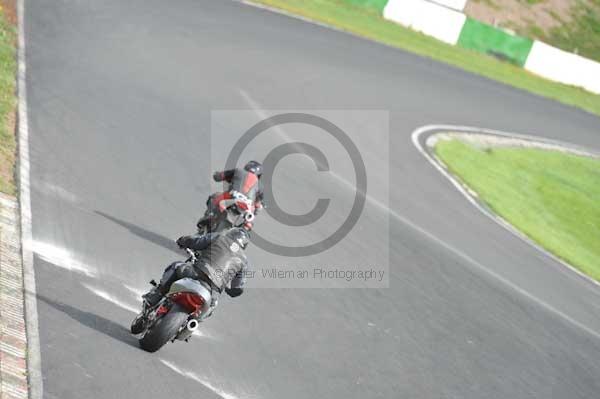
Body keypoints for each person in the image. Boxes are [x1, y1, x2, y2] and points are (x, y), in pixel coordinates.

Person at [132, 227, 251, 333]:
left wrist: (183, 240)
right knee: (211, 307)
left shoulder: (219, 237)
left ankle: (157, 294)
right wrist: (233, 290)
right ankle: (190, 325)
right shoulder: (244, 261)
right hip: (213, 289)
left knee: (176, 266)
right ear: (244, 244)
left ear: (230, 234)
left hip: (195, 273)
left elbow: (197, 242)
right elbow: (238, 286)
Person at [197, 161, 265, 231]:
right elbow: (258, 205)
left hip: (232, 196)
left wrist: (216, 174)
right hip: (247, 206)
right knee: (249, 222)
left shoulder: (238, 171)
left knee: (214, 197)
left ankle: (209, 216)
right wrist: (257, 209)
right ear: (259, 175)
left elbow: (218, 177)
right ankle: (242, 235)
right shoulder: (260, 186)